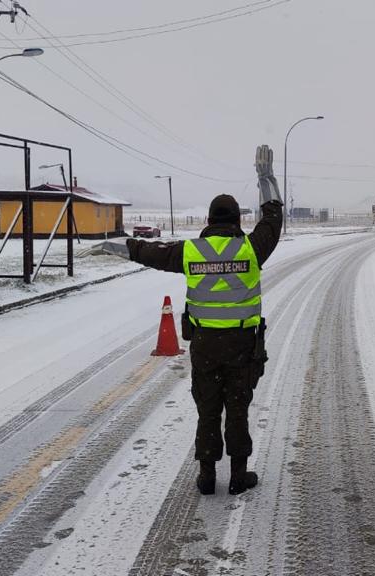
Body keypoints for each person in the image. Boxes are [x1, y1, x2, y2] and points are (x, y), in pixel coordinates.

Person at [126, 145, 283, 495]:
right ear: (237, 221)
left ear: (210, 221)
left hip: (205, 345)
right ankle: (239, 477)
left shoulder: (190, 252)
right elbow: (273, 219)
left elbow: (148, 252)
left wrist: (116, 247)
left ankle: (207, 477)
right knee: (238, 409)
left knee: (208, 408)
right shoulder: (251, 249)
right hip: (242, 346)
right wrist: (266, 179)